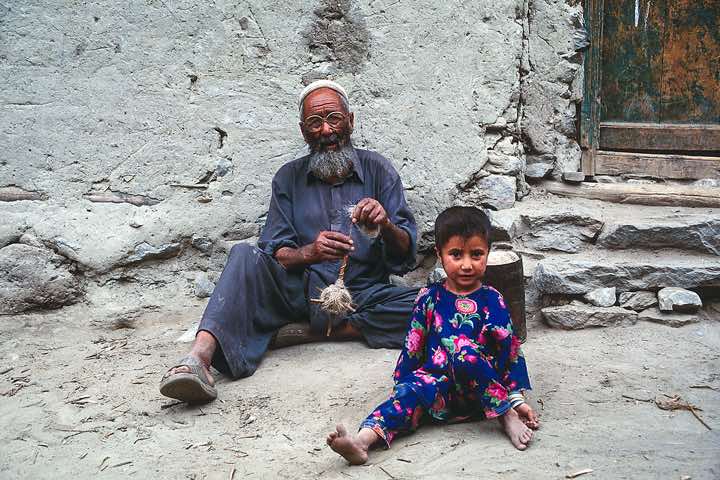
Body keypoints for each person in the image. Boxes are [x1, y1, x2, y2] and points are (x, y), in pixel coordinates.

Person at [159, 80, 419, 404]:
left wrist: (385, 225)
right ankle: (198, 359)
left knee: (432, 304)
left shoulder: (379, 170)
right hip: (300, 293)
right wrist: (309, 252)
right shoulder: (288, 178)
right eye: (314, 123)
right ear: (303, 130)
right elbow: (275, 252)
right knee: (243, 255)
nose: (326, 130)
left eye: (334, 119)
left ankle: (307, 331)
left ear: (350, 121)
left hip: (363, 293)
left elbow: (407, 254)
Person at [326, 206, 540, 464]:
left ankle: (507, 415)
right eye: (456, 254)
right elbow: (413, 345)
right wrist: (406, 387)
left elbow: (510, 351)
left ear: (487, 253)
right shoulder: (428, 298)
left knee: (465, 355)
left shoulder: (492, 300)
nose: (466, 264)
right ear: (439, 254)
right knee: (409, 394)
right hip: (438, 392)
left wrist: (516, 399)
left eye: (476, 254)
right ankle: (362, 441)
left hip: (481, 394)